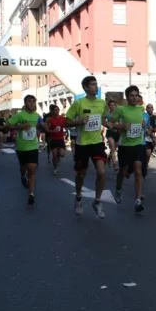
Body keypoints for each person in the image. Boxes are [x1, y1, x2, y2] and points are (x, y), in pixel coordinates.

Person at [65, 76, 109, 218]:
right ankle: (78, 197)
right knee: (81, 174)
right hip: (82, 144)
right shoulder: (79, 103)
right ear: (85, 87)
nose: (95, 87)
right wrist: (79, 121)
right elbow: (66, 122)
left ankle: (97, 201)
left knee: (101, 172)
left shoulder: (102, 103)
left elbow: (103, 120)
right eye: (92, 85)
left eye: (96, 84)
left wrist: (113, 125)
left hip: (97, 142)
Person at [111, 85, 146, 212]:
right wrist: (122, 126)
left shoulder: (141, 109)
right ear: (127, 97)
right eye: (131, 96)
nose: (134, 98)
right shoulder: (121, 109)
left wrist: (143, 124)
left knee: (138, 170)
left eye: (136, 95)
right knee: (123, 171)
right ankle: (118, 189)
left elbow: (142, 124)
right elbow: (111, 124)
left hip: (138, 144)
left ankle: (137, 200)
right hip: (125, 145)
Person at [7, 95, 44, 205]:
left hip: (33, 146)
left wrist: (45, 126)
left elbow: (42, 125)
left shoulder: (37, 116)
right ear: (25, 103)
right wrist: (20, 127)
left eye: (33, 102)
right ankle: (23, 175)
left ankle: (31, 194)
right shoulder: (20, 115)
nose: (32, 104)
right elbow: (8, 125)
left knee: (32, 169)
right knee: (23, 167)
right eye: (29, 102)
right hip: (22, 147)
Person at [46, 105, 68, 176]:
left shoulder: (62, 118)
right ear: (53, 111)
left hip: (61, 139)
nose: (56, 111)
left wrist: (66, 131)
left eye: (57, 110)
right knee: (54, 155)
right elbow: (47, 130)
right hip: (53, 139)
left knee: (62, 154)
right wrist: (53, 131)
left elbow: (65, 126)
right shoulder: (50, 119)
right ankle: (55, 168)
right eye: (55, 110)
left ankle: (57, 160)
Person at [143, 103, 156, 177]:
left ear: (153, 109)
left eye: (151, 107)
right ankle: (144, 165)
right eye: (148, 107)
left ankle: (145, 164)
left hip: (152, 138)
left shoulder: (155, 118)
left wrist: (153, 129)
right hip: (144, 138)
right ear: (146, 109)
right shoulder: (143, 116)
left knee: (148, 154)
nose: (150, 109)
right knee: (147, 152)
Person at [104, 100, 120, 172]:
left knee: (114, 148)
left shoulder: (118, 113)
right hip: (110, 132)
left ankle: (109, 157)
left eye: (113, 105)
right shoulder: (107, 113)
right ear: (109, 106)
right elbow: (103, 121)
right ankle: (115, 164)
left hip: (118, 132)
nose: (112, 106)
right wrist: (107, 124)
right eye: (111, 105)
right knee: (113, 148)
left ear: (115, 106)